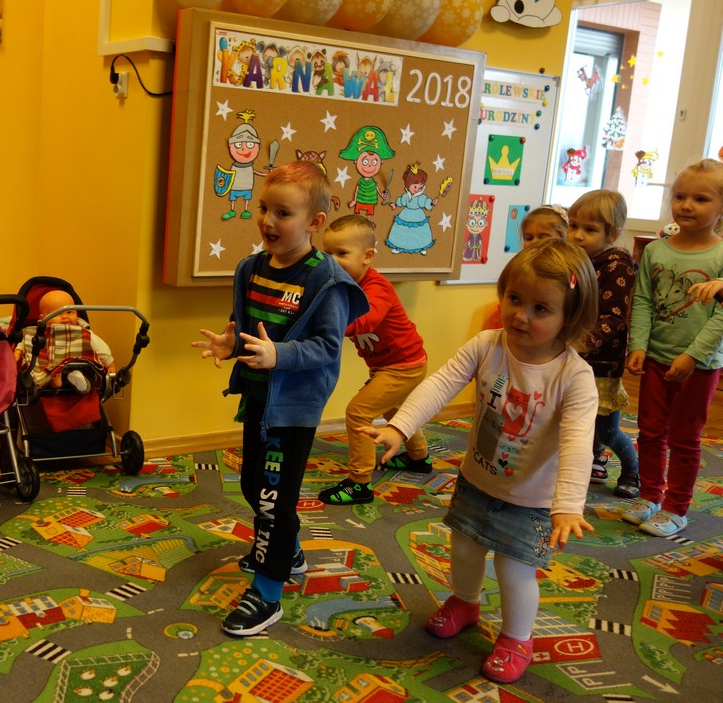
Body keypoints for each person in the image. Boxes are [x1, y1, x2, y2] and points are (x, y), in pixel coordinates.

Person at [361, 238, 599, 683]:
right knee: (464, 548)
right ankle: (466, 602)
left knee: (514, 569)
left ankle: (517, 638)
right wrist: (400, 427)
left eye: (540, 309)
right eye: (514, 299)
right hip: (477, 479)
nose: (521, 315)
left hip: (532, 500)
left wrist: (567, 506)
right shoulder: (488, 344)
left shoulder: (574, 377)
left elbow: (577, 443)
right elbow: (440, 384)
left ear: (570, 317)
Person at [192, 161, 368, 637]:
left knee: (274, 500)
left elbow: (327, 348)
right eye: (264, 208)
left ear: (315, 222)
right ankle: (286, 552)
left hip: (293, 407)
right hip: (259, 398)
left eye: (283, 213)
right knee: (255, 486)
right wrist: (232, 344)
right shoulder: (252, 268)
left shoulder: (324, 279)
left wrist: (279, 355)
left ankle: (268, 593)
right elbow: (250, 331)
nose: (267, 221)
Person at [623, 158, 723, 537]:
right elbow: (643, 300)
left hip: (700, 365)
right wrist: (639, 344)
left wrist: (692, 355)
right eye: (680, 196)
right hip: (655, 360)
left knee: (684, 438)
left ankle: (676, 507)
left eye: (700, 199)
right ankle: (649, 495)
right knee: (650, 431)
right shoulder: (656, 251)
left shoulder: (720, 256)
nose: (686, 205)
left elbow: (721, 317)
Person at [316, 215, 430, 505]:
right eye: (327, 253)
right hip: (391, 365)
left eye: (342, 253)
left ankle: (359, 483)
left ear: (367, 256)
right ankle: (418, 458)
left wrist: (330, 325)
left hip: (403, 365)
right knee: (394, 409)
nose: (332, 261)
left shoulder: (376, 287)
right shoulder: (342, 285)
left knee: (358, 412)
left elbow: (367, 320)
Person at [566, 190, 640, 497]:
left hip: (601, 363)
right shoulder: (576, 260)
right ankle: (593, 459)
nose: (578, 235)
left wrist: (580, 342)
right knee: (577, 419)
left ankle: (632, 471)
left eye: (590, 229)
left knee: (606, 428)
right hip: (573, 356)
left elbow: (614, 317)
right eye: (573, 226)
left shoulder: (617, 266)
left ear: (612, 234)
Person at [482, 205, 568, 329]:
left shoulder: (566, 273)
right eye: (529, 238)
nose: (534, 242)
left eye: (543, 237)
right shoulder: (518, 267)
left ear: (563, 240)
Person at [19, 289, 116, 394]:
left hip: (79, 366)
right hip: (52, 369)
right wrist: (18, 352)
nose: (65, 317)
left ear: (76, 312)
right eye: (57, 313)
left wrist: (110, 365)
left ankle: (80, 382)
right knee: (41, 373)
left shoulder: (83, 333)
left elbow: (101, 349)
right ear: (43, 318)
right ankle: (56, 381)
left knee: (91, 373)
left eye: (69, 312)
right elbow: (24, 340)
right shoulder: (36, 332)